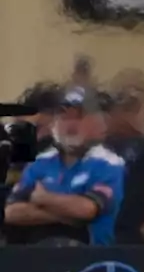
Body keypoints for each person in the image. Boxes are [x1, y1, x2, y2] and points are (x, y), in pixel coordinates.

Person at [4, 87, 125, 245]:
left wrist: (42, 199)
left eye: (79, 116)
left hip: (88, 257)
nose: (71, 124)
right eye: (64, 116)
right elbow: (11, 212)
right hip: (37, 255)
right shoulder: (40, 162)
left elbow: (86, 209)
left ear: (99, 124)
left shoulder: (108, 163)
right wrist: (66, 215)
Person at [102, 73, 144, 245]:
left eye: (134, 108)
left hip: (134, 229)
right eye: (124, 108)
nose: (128, 115)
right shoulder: (98, 144)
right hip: (101, 226)